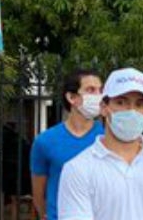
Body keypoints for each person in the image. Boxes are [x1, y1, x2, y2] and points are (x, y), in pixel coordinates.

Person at [58, 68, 143, 220]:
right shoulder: (77, 169)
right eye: (121, 102)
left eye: (140, 104)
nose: (131, 111)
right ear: (104, 107)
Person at [29, 69, 104, 220]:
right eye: (91, 90)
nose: (98, 96)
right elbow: (38, 192)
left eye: (100, 90)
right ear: (71, 97)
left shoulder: (107, 138)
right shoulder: (45, 141)